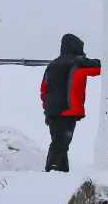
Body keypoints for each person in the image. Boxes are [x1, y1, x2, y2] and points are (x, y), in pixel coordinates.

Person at [41, 33, 101, 172]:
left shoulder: (52, 65)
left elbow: (43, 89)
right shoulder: (77, 63)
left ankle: (61, 173)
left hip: (51, 112)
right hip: (67, 110)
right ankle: (51, 170)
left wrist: (47, 109)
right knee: (60, 143)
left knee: (59, 143)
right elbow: (99, 68)